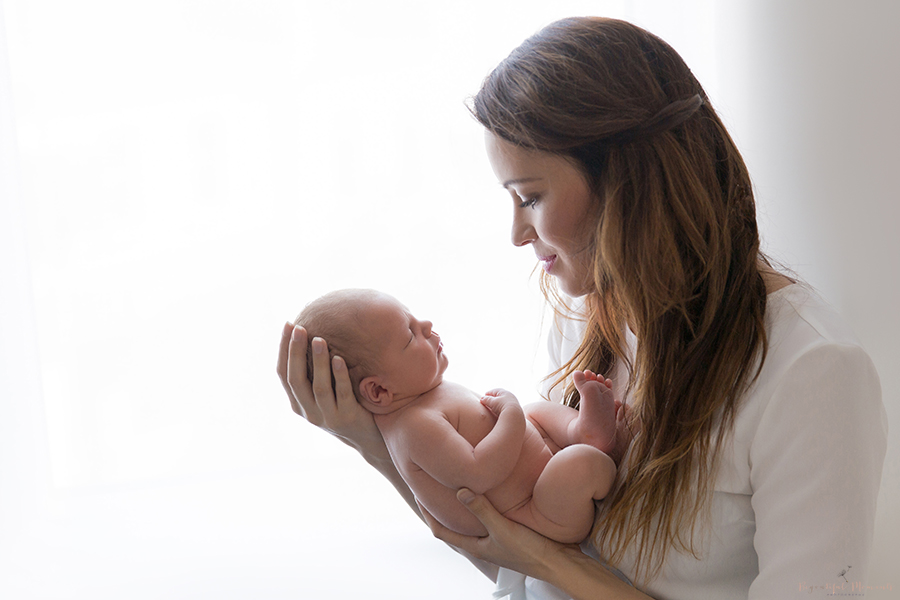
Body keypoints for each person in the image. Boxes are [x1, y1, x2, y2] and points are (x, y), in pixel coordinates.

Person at [277, 16, 887, 600]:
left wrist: (546, 561)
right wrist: (372, 439)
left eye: (531, 197)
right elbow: (510, 538)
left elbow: (534, 557)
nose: (517, 234)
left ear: (629, 184)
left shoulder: (812, 373)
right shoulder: (583, 320)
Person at [293, 288, 623, 544]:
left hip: (538, 477)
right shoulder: (413, 427)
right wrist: (511, 416)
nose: (427, 326)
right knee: (577, 462)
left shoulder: (425, 397)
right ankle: (594, 451)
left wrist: (520, 416)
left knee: (536, 410)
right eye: (410, 334)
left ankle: (584, 431)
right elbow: (477, 474)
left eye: (415, 319)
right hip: (537, 515)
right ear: (379, 391)